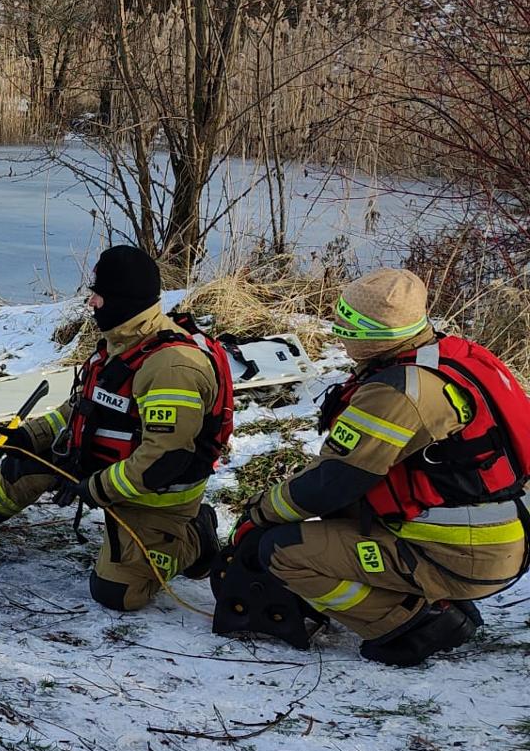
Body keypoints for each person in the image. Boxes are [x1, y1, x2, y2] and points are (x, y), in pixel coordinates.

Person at [219, 269, 527, 666]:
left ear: (372, 335)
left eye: (347, 324)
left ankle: (414, 620)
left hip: (462, 551)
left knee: (283, 551)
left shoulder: (398, 391)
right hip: (497, 536)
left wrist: (260, 513)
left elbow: (334, 482)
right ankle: (430, 592)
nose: (338, 332)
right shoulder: (449, 355)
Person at [0, 245, 233, 611]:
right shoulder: (122, 342)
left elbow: (163, 459)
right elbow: (81, 410)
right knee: (25, 463)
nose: (91, 303)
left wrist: (96, 488)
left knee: (117, 593)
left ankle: (195, 537)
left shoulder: (172, 368)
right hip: (105, 468)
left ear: (123, 300)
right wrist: (32, 436)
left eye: (98, 295)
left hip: (153, 497)